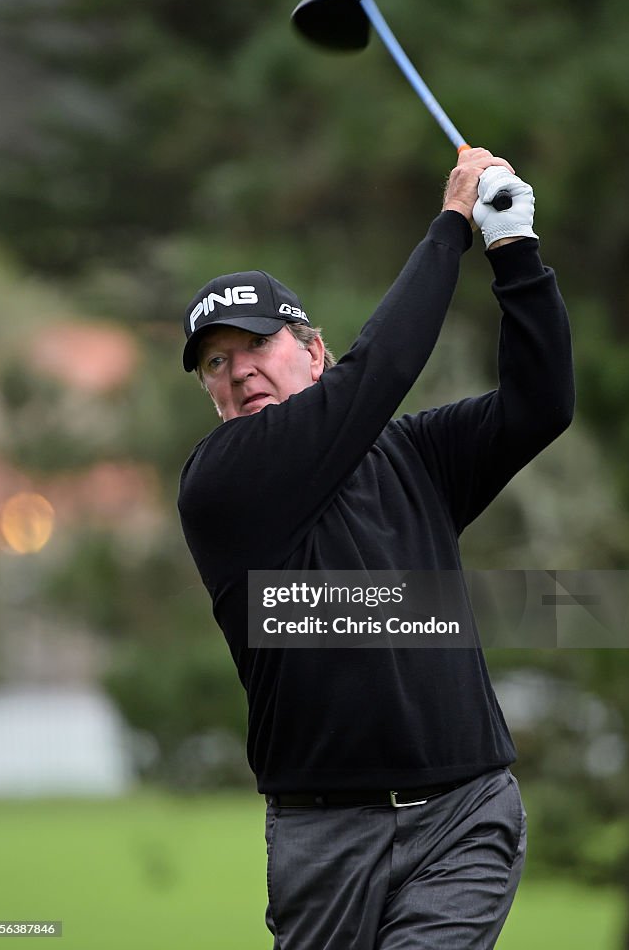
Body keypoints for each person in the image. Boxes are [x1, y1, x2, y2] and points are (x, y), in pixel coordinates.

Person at [178, 147, 575, 950]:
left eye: (255, 344)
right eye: (216, 363)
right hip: (323, 837)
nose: (238, 371)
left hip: (462, 812)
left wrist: (515, 253)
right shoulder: (222, 482)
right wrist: (451, 225)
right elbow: (382, 368)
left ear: (312, 350)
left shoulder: (412, 455)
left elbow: (540, 405)